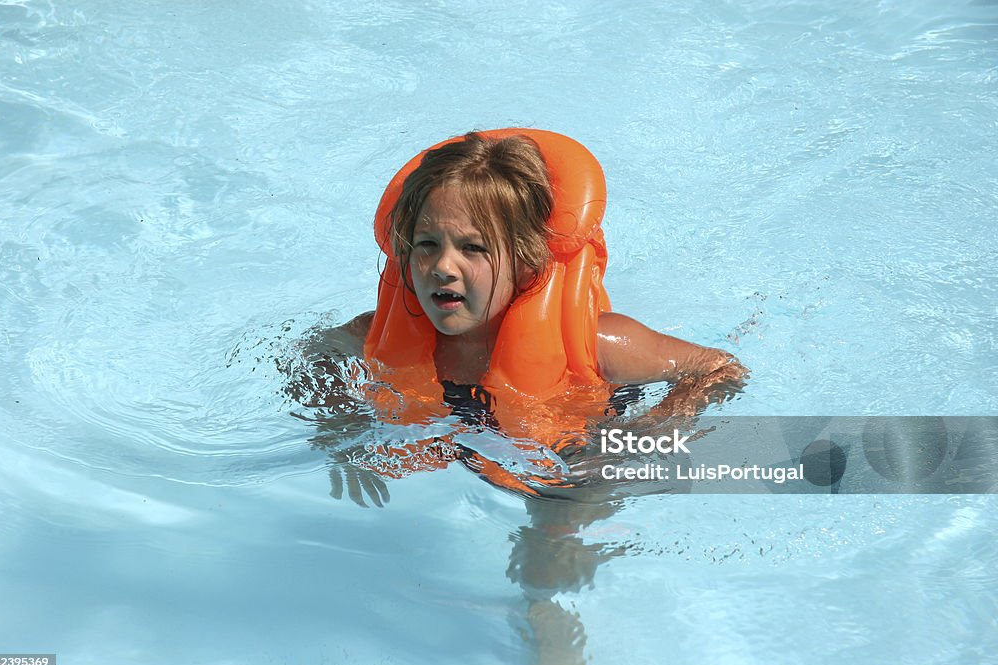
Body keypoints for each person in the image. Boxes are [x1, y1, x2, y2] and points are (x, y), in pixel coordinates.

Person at [286, 128, 747, 501]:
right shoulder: (373, 333)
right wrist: (337, 420)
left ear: (526, 262)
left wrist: (630, 444)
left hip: (575, 455)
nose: (443, 267)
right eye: (427, 245)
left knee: (552, 542)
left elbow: (720, 370)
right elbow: (314, 351)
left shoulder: (600, 344)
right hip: (473, 450)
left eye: (473, 248)